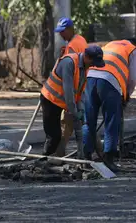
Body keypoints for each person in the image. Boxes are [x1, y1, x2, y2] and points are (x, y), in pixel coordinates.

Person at [82, 38, 136, 172]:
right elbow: (132, 78)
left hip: (90, 77)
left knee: (88, 120)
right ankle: (109, 159)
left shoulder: (110, 44)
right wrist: (126, 96)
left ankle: (86, 158)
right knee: (112, 121)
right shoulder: (133, 50)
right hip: (109, 82)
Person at [40, 45, 105, 156]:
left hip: (62, 101)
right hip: (50, 100)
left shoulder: (85, 66)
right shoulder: (69, 63)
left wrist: (81, 108)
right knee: (54, 135)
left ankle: (60, 157)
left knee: (69, 131)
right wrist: (75, 113)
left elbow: (79, 90)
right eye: (93, 61)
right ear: (87, 56)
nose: (94, 65)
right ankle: (44, 159)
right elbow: (68, 92)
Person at [53, 17, 89, 157]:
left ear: (70, 29)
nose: (61, 35)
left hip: (75, 88)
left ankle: (60, 154)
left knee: (68, 121)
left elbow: (67, 71)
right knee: (80, 122)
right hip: (81, 85)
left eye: (62, 31)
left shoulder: (72, 46)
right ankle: (91, 151)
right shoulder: (80, 40)